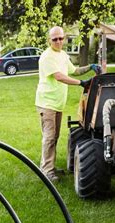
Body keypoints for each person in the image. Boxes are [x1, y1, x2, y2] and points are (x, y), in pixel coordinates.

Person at [35, 26, 101, 183]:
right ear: (49, 40)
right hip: (47, 103)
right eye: (55, 39)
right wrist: (81, 83)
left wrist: (90, 67)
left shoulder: (63, 55)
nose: (58, 41)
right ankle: (46, 170)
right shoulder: (47, 57)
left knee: (54, 136)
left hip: (57, 104)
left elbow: (74, 70)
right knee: (49, 137)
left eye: (60, 38)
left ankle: (49, 166)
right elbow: (59, 76)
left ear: (64, 38)